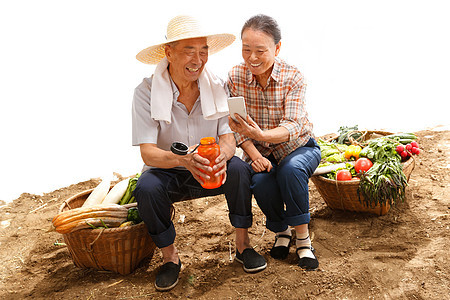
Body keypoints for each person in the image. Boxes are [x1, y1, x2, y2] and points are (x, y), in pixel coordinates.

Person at [132, 15, 266, 292]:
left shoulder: (217, 86)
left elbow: (228, 140)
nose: (198, 59)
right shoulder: (145, 92)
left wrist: (223, 154)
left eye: (203, 50)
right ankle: (170, 258)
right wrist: (183, 160)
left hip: (209, 167)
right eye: (188, 51)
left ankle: (243, 246)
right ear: (168, 53)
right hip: (169, 169)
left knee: (240, 170)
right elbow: (148, 154)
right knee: (146, 187)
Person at [227, 14, 321, 270]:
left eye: (260, 51)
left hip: (299, 147)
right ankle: (282, 232)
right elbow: (236, 126)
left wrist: (262, 136)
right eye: (246, 50)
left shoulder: (293, 77)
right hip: (261, 152)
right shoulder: (235, 76)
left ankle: (303, 239)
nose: (252, 58)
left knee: (290, 170)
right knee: (260, 180)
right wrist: (253, 152)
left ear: (277, 48)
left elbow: (293, 125)